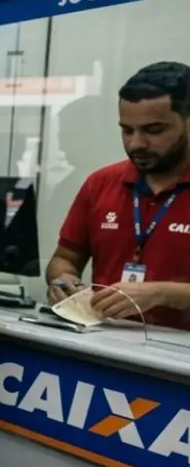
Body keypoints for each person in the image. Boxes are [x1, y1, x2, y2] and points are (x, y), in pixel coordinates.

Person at [47, 61, 190, 329]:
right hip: (106, 347)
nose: (136, 143)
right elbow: (65, 258)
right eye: (127, 130)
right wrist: (62, 280)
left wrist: (164, 293)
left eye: (154, 130)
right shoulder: (101, 183)